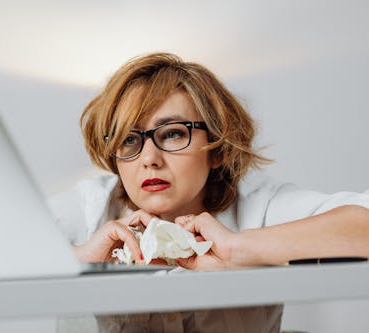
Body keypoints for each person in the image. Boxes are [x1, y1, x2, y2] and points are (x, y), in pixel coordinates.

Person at [49, 52, 369, 333]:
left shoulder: (260, 204)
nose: (149, 159)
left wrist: (239, 248)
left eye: (173, 133)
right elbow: (0, 243)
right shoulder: (91, 206)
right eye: (129, 139)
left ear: (216, 149)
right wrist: (77, 259)